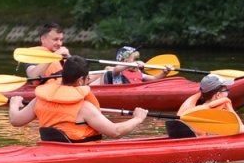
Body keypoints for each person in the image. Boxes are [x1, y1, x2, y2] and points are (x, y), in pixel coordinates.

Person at [9, 57, 149, 141]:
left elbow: (16, 120)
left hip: (49, 149)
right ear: (81, 80)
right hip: (79, 154)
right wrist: (138, 118)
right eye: (88, 78)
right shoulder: (84, 107)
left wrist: (14, 104)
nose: (88, 81)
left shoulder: (39, 100)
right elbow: (115, 131)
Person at [178, 73, 244, 135]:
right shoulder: (214, 112)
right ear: (218, 95)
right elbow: (234, 128)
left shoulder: (197, 109)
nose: (228, 93)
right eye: (226, 91)